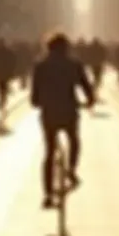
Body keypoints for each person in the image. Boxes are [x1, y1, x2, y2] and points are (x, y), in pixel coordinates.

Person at [30, 32, 95, 207]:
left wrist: (38, 102)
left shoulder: (40, 65)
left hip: (49, 113)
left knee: (49, 152)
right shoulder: (74, 64)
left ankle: (47, 194)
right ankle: (72, 169)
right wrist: (89, 101)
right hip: (69, 111)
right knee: (74, 140)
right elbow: (86, 85)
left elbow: (34, 97)